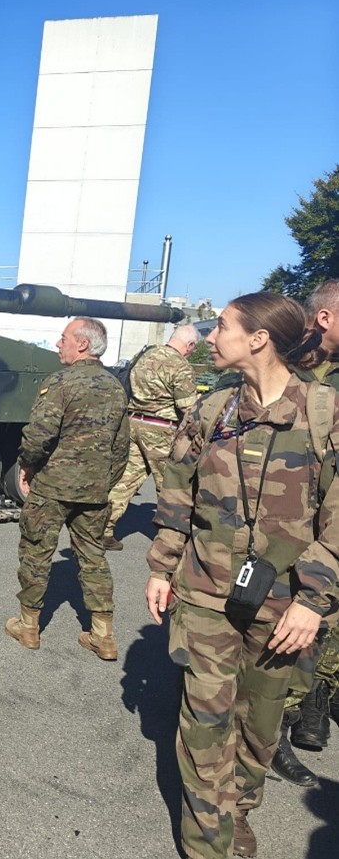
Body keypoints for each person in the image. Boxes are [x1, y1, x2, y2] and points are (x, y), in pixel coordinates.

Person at [145, 292, 339, 859]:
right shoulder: (212, 410)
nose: (209, 336)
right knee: (203, 729)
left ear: (258, 338)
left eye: (222, 326)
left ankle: (237, 810)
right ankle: (210, 842)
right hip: (205, 592)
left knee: (259, 729)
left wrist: (315, 601)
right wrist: (162, 567)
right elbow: (177, 492)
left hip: (286, 605)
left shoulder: (324, 413)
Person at [4, 317, 130, 661]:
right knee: (93, 558)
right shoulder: (115, 387)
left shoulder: (61, 382)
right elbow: (122, 447)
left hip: (52, 489)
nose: (58, 343)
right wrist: (105, 481)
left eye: (63, 338)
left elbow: (39, 435)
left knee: (36, 552)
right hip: (94, 493)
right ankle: (103, 636)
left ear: (83, 344)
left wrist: (27, 466)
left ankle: (28, 627)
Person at [271, 277, 339, 787]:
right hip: (289, 527)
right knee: (278, 639)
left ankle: (305, 710)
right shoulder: (288, 367)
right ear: (325, 318)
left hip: (329, 528)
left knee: (320, 629)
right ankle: (269, 737)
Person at [103, 324, 200, 551]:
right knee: (169, 486)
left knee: (124, 480)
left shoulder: (145, 353)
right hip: (161, 431)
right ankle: (168, 542)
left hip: (133, 423)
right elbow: (187, 407)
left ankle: (103, 530)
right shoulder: (180, 365)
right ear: (190, 345)